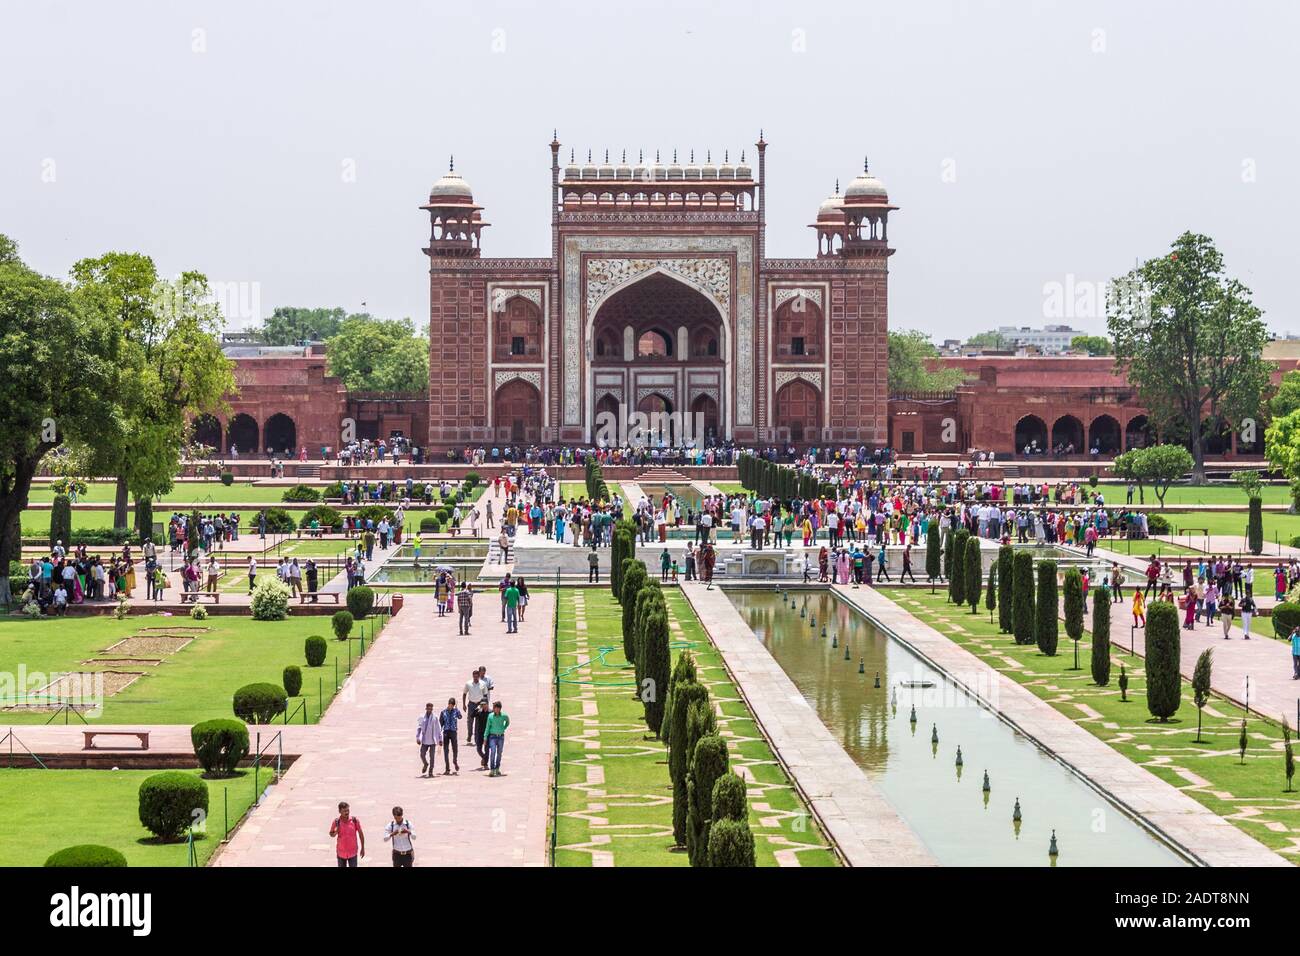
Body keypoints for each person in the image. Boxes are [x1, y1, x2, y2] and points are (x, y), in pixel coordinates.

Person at [329, 802, 365, 867]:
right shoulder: (336, 822)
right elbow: (331, 834)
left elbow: (361, 834)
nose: (347, 812)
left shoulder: (354, 820)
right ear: (340, 811)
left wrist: (362, 848)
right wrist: (336, 832)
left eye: (348, 810)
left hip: (353, 853)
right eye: (344, 811)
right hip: (341, 853)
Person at [416, 702, 442, 777]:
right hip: (424, 740)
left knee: (432, 757)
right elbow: (419, 729)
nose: (430, 710)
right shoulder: (422, 717)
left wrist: (440, 739)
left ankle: (431, 771)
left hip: (432, 740)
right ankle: (425, 764)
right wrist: (418, 738)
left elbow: (438, 728)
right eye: (428, 708)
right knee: (422, 754)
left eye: (431, 709)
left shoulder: (435, 717)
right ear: (426, 708)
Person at [485, 700, 510, 777]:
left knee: (499, 753)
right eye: (495, 708)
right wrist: (485, 737)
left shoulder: (504, 716)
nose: (496, 710)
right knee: (493, 752)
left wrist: (503, 728)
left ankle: (497, 768)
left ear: (500, 709)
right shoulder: (490, 716)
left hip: (501, 737)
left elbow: (507, 721)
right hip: (492, 736)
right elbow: (487, 727)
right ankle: (492, 769)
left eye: (498, 708)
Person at [439, 697, 462, 774]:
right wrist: (439, 735)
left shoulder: (456, 711)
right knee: (446, 750)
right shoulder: (443, 712)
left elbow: (460, 717)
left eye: (452, 705)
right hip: (446, 732)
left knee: (455, 749)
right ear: (448, 704)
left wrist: (457, 709)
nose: (451, 706)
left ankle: (455, 761)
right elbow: (440, 724)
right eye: (450, 705)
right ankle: (447, 768)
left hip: (453, 732)